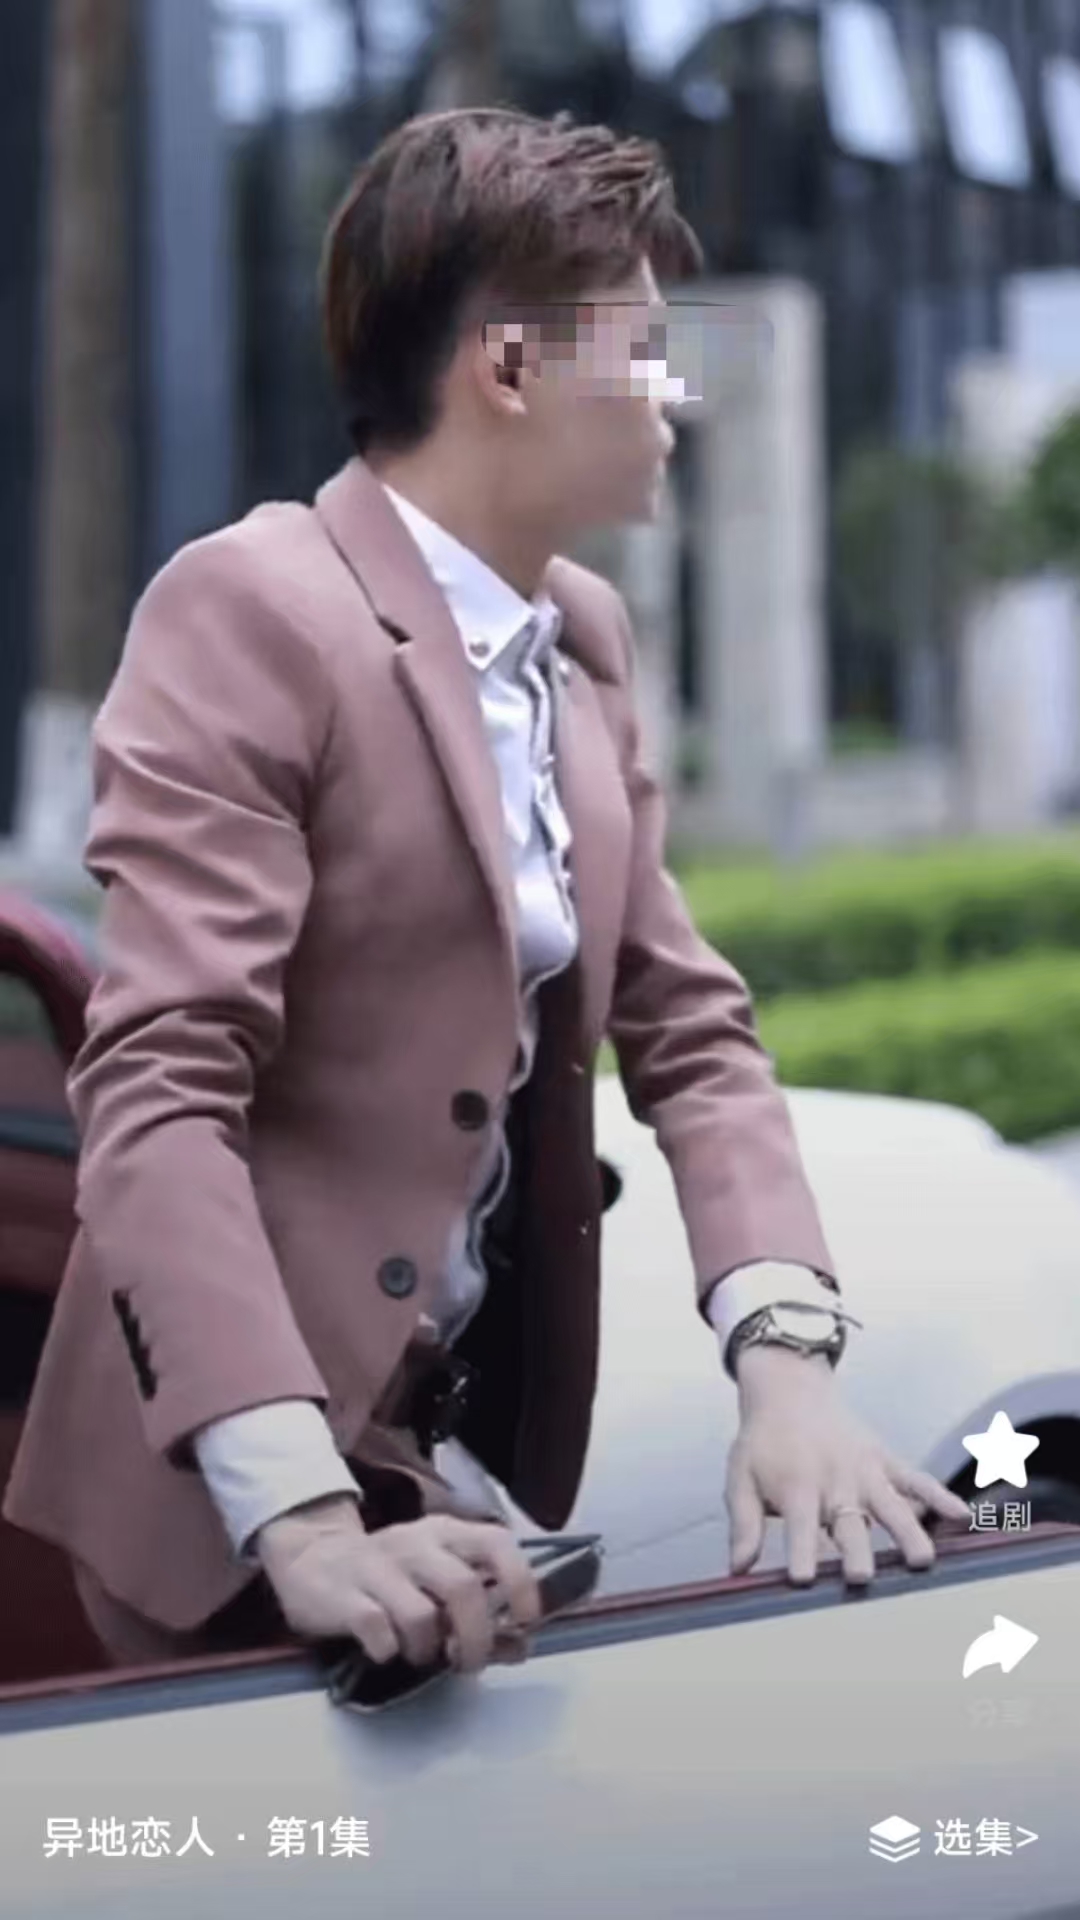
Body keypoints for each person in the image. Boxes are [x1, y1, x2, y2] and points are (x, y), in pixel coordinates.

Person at [4, 106, 968, 1674]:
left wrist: (790, 1371)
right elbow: (161, 1089)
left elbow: (692, 1031)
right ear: (510, 369)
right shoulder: (252, 608)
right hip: (235, 1507)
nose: (677, 390)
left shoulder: (581, 637)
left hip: (451, 1457)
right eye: (646, 349)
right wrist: (304, 1516)